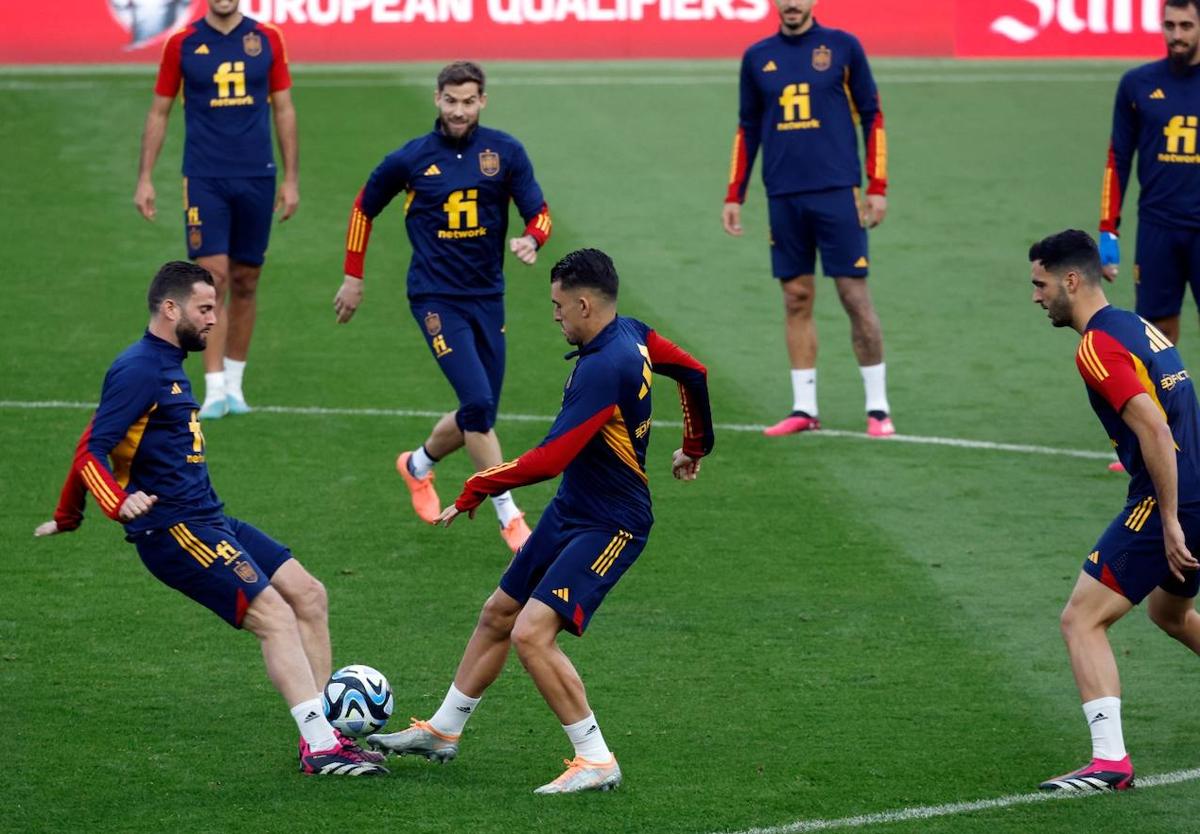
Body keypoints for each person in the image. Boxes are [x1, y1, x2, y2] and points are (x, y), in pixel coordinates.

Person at [366, 249, 714, 793]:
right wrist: (695, 445)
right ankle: (444, 731)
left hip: (613, 524)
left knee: (532, 633)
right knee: (499, 613)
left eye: (557, 305)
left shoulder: (604, 367)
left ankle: (596, 759)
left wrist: (479, 485)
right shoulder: (634, 334)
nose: (554, 315)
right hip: (574, 509)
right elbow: (694, 371)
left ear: (582, 303)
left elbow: (550, 458)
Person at [34, 262, 385, 777]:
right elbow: (90, 450)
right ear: (170, 309)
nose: (214, 319)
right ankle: (321, 747)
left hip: (210, 519)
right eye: (204, 308)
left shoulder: (167, 363)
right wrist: (112, 503)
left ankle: (325, 735)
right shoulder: (138, 368)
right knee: (275, 616)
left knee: (309, 595)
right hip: (174, 529)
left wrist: (68, 515)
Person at [333, 60, 552, 554]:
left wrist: (533, 239)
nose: (459, 111)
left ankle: (417, 466)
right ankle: (509, 515)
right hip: (434, 298)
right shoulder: (410, 159)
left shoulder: (505, 152)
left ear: (482, 102)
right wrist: (353, 276)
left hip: (487, 296)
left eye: (468, 101)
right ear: (437, 99)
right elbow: (363, 208)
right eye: (450, 101)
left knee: (480, 410)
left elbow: (538, 211)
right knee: (477, 406)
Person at [1029, 230, 1200, 792]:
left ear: (1071, 281)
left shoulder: (1096, 347)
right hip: (1197, 481)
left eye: (1041, 283)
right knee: (1168, 615)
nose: (1036, 296)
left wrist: (1170, 518)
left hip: (1172, 496)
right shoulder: (1132, 323)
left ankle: (1110, 763)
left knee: (1081, 618)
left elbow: (1152, 424)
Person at [722, 0, 893, 438]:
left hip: (838, 192)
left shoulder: (842, 47)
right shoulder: (757, 56)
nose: (793, 4)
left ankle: (877, 408)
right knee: (796, 298)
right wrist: (734, 194)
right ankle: (804, 408)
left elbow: (872, 116)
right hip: (783, 195)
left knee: (854, 296)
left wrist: (877, 187)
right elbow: (748, 126)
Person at [134, 0, 299, 420]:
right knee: (214, 279)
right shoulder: (182, 44)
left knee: (246, 280)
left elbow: (283, 108)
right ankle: (212, 389)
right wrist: (145, 177)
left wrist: (291, 178)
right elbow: (158, 111)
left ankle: (235, 385)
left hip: (257, 177)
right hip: (205, 178)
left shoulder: (267, 38)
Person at [1099, 0, 1200, 347]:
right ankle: (1167, 404)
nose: (1176, 36)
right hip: (1158, 228)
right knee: (1157, 337)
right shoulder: (1137, 84)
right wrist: (1108, 230)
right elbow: (1118, 159)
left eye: (1186, 26)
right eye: (1169, 26)